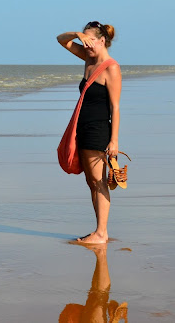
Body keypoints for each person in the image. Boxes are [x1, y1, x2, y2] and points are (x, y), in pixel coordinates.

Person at [57, 21, 122, 244]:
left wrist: (114, 141)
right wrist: (77, 34)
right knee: (91, 182)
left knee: (99, 182)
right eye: (83, 43)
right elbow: (61, 40)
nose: (85, 46)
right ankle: (98, 231)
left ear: (102, 41)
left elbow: (115, 107)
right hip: (83, 128)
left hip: (98, 130)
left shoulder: (111, 67)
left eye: (90, 41)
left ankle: (101, 233)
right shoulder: (88, 59)